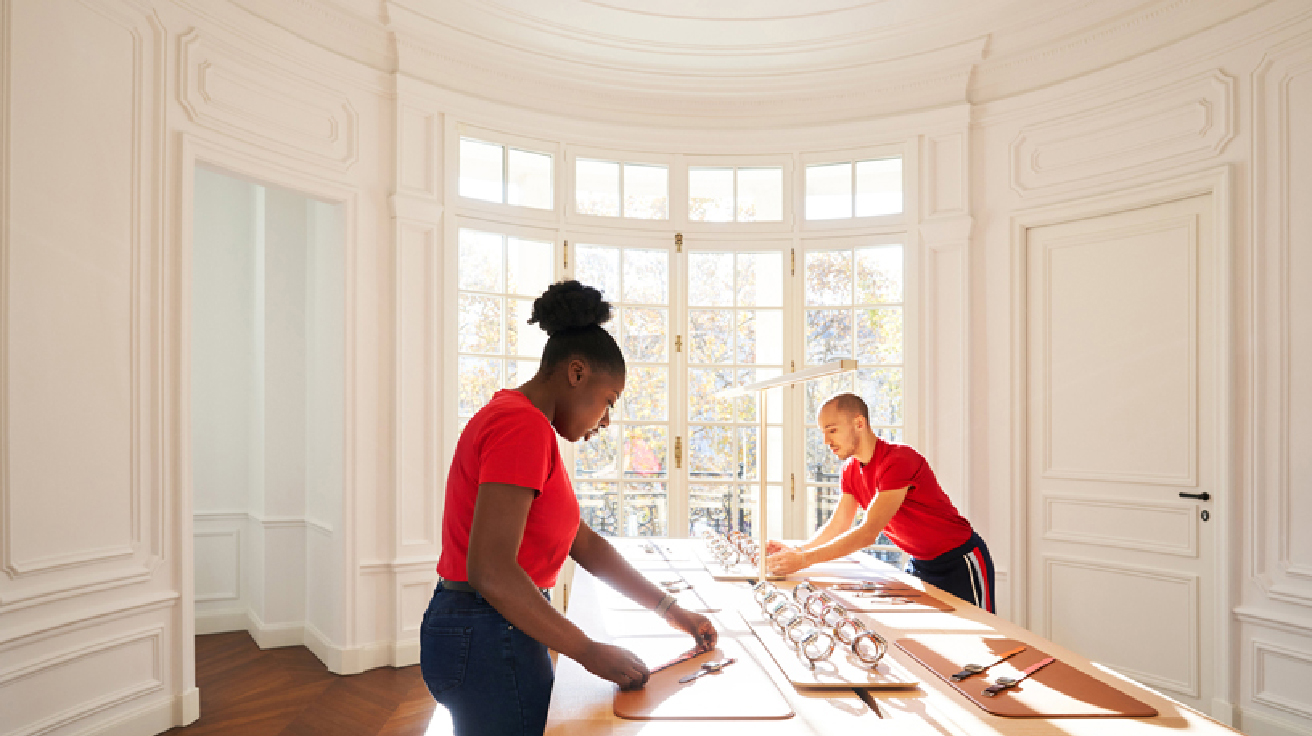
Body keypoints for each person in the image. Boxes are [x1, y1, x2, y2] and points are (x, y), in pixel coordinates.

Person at [421, 280, 717, 736]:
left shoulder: (525, 424)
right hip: (487, 633)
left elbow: (584, 542)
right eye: (608, 402)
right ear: (576, 373)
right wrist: (589, 651)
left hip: (486, 630)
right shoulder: (521, 425)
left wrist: (670, 610)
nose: (606, 420)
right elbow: (492, 571)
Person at [765, 393, 995, 613]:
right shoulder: (850, 471)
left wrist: (803, 560)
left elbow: (868, 533)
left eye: (832, 430)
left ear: (859, 423)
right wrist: (797, 551)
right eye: (823, 433)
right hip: (920, 564)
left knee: (989, 639)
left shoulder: (899, 459)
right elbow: (839, 525)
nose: (826, 441)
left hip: (960, 561)